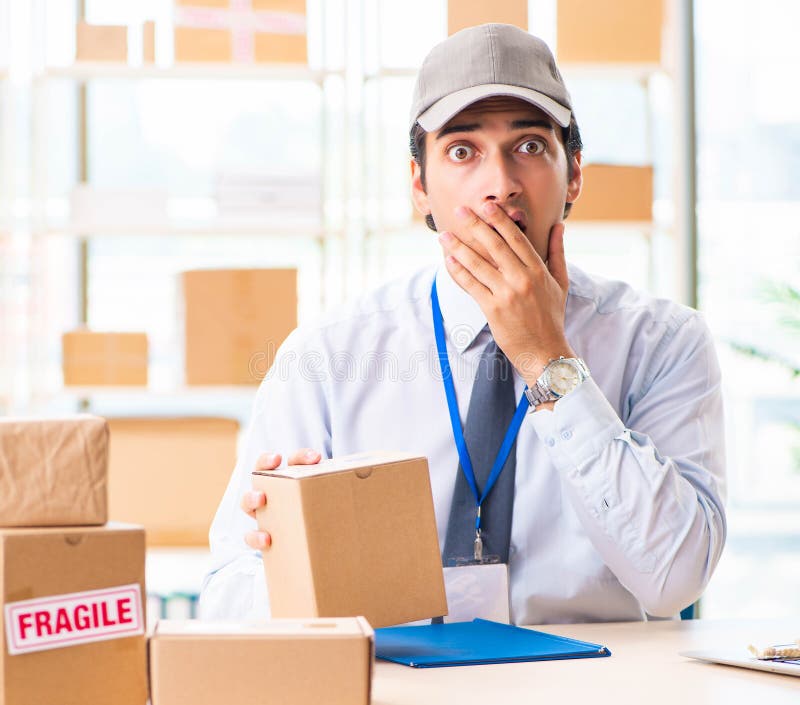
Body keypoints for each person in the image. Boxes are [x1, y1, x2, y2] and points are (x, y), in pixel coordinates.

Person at [199, 23, 726, 625]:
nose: (499, 185)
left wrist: (547, 359)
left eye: (529, 147)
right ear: (420, 186)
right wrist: (305, 558)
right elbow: (224, 595)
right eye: (461, 151)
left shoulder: (663, 343)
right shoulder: (328, 354)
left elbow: (676, 580)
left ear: (574, 173)